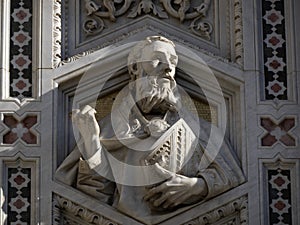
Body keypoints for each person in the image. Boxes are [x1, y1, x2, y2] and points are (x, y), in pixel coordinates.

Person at [56, 36, 245, 223]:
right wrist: (91, 142)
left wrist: (197, 186)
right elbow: (95, 195)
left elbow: (231, 175)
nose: (168, 68)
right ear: (134, 68)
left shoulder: (201, 130)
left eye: (173, 62)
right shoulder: (106, 130)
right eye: (158, 59)